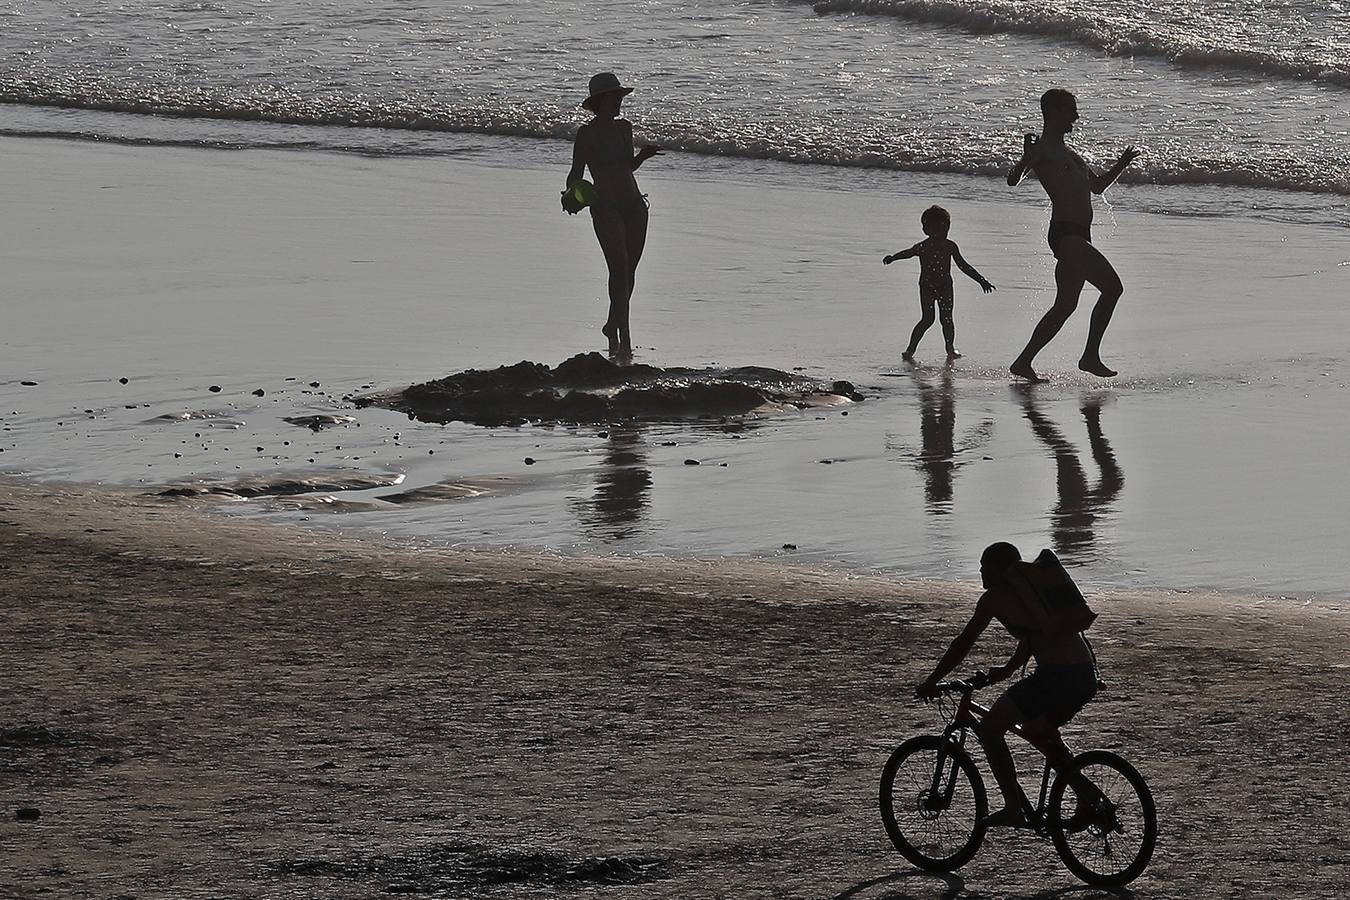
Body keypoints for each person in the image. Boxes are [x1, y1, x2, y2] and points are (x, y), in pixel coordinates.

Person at [915, 542, 1100, 829]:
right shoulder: (1033, 596)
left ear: (998, 571)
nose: (979, 571)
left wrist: (932, 681)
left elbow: (963, 642)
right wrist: (1006, 670)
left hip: (1058, 676)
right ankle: (1087, 796)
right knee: (1040, 732)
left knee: (990, 728)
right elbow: (1031, 638)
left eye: (984, 566)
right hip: (1083, 675)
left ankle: (1013, 807)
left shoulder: (994, 599)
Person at [1006, 89, 1139, 382]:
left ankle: (1023, 362)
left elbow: (1098, 187)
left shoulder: (1072, 155)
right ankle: (1090, 355)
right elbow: (1013, 180)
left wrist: (1121, 164)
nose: (1076, 116)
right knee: (1113, 288)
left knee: (1065, 306)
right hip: (1065, 235)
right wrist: (1024, 159)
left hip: (1081, 235)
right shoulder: (1042, 150)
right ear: (1053, 113)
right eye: (1071, 110)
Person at [564, 72, 662, 358]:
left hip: (634, 204)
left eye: (620, 97)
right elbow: (576, 173)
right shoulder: (586, 134)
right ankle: (625, 339)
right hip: (605, 207)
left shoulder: (624, 128)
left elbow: (627, 166)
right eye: (615, 97)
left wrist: (643, 157)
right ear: (600, 101)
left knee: (629, 273)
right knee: (618, 271)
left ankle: (612, 325)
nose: (620, 101)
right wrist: (574, 193)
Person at [884, 205, 995, 361]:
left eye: (944, 227)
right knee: (927, 319)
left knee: (947, 319)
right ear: (926, 230)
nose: (941, 231)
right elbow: (908, 253)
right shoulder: (923, 246)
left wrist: (981, 280)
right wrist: (893, 257)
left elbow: (963, 266)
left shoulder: (949, 246)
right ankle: (910, 350)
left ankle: (950, 349)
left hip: (945, 287)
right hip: (927, 287)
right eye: (936, 228)